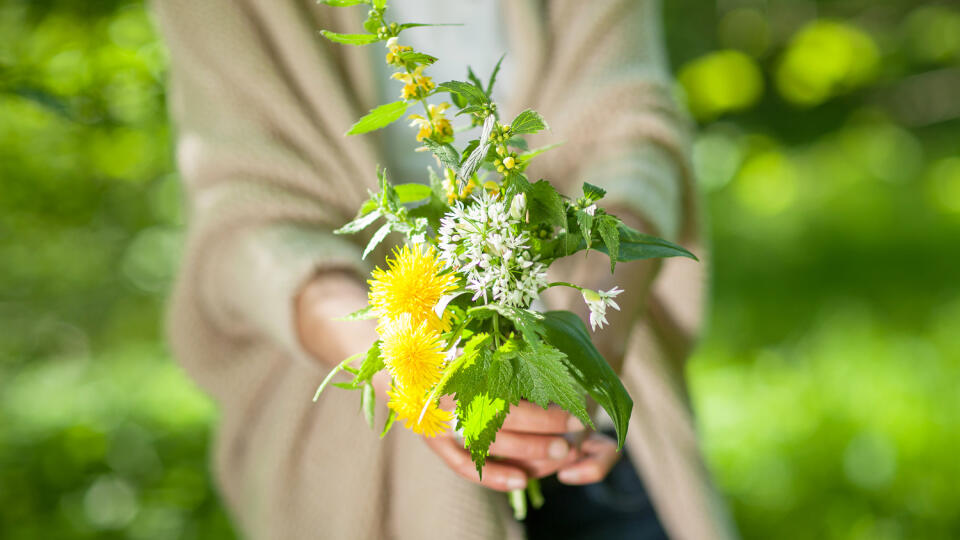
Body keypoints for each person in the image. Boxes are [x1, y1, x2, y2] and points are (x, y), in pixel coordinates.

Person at [155, 0, 736, 538]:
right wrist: (394, 361)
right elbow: (245, 220)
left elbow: (632, 131)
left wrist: (590, 337)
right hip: (354, 450)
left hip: (584, 424)